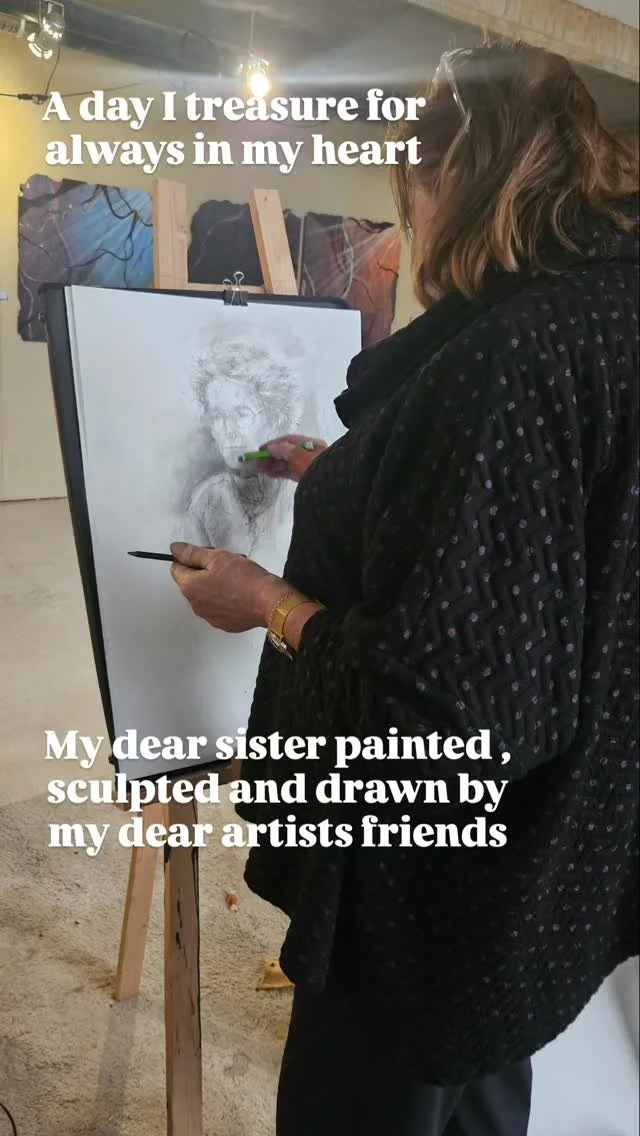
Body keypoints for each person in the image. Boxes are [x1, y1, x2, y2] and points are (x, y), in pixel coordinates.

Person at [170, 39, 639, 1136]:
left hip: (429, 884)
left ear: (449, 175)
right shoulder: (609, 310)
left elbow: (447, 709)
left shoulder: (506, 358)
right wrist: (360, 475)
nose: (410, 226)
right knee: (477, 1083)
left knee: (375, 1093)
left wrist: (267, 602)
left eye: (410, 195)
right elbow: (539, 536)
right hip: (546, 853)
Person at [174, 332, 303, 554]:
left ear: (274, 420)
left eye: (242, 414)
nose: (228, 430)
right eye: (218, 416)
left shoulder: (299, 498)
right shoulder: (208, 501)